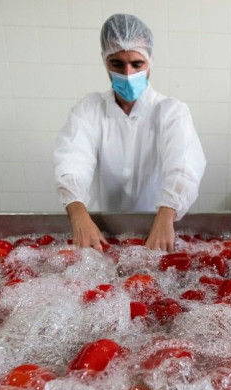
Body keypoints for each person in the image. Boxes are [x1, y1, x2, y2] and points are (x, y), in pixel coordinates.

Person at [54, 13, 207, 252]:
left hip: (158, 225)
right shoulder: (90, 109)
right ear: (105, 61)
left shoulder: (171, 112)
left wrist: (166, 215)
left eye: (137, 64)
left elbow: (184, 166)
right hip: (100, 230)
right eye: (117, 64)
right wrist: (77, 214)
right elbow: (72, 161)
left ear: (150, 61)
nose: (127, 74)